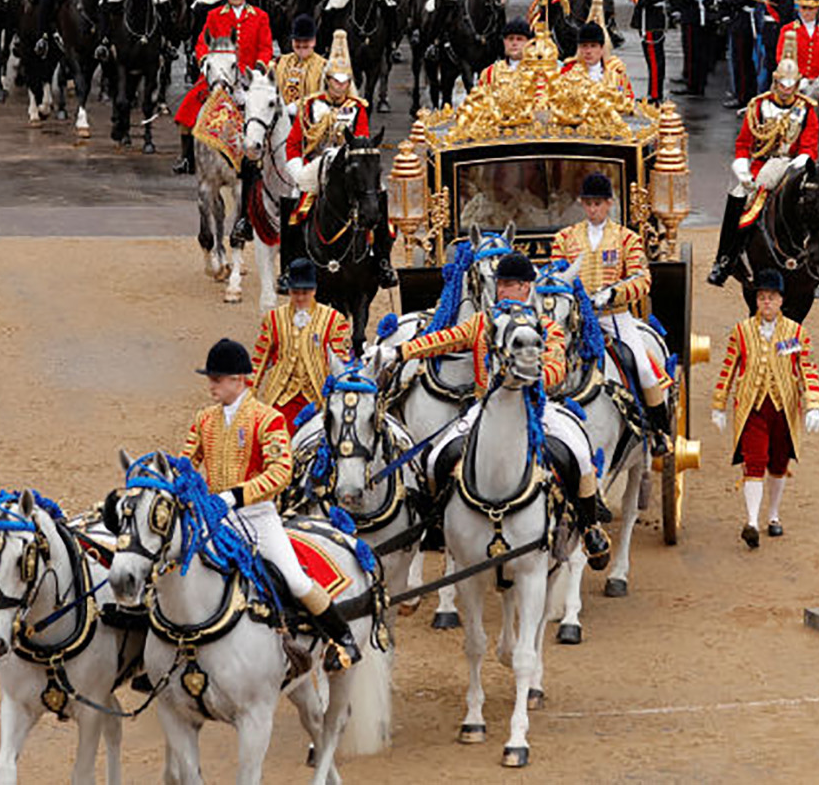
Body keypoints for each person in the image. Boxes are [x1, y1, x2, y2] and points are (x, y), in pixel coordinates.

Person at [375, 252, 613, 567]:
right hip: (485, 407)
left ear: (528, 287)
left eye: (511, 284)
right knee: (435, 460)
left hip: (536, 407)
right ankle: (436, 522)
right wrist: (399, 352)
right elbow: (443, 340)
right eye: (500, 283)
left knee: (581, 457)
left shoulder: (547, 327)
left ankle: (589, 527)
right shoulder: (482, 322)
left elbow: (557, 367)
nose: (503, 290)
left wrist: (533, 376)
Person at [183, 338, 362, 669]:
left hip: (256, 516)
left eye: (217, 379)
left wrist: (235, 495)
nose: (211, 385)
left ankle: (343, 638)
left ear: (239, 380)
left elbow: (281, 471)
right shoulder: (204, 419)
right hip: (214, 519)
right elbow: (186, 461)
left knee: (294, 579)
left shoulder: (268, 419)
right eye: (211, 378)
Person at [549, 172, 672, 440]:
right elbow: (556, 276)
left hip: (614, 317)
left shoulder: (627, 238)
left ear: (609, 204)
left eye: (598, 204)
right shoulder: (565, 238)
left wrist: (614, 293)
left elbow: (643, 279)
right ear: (582, 204)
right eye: (589, 204)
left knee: (643, 368)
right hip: (576, 318)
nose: (593, 209)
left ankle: (659, 431)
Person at [709, 269, 819, 549]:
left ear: (781, 300)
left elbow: (806, 368)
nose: (766, 303)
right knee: (755, 461)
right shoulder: (742, 330)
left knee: (778, 464)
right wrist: (719, 405)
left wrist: (813, 406)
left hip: (784, 408)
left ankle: (772, 515)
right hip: (752, 407)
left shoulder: (796, 332)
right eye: (762, 298)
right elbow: (728, 369)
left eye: (771, 297)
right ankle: (750, 521)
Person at [283, 31, 395, 289]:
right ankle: (290, 266)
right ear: (328, 80)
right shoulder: (310, 105)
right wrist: (297, 169)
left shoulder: (358, 107)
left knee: (379, 197)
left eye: (345, 82)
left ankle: (383, 261)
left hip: (350, 164)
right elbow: (293, 142)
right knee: (295, 203)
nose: (340, 87)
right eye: (335, 81)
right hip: (316, 164)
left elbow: (364, 140)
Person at [709, 35, 819, 285]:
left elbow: (810, 147)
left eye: (792, 83)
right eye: (783, 82)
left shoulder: (807, 109)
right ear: (775, 81)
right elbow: (743, 145)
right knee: (738, 196)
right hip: (759, 168)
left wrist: (793, 168)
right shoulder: (758, 107)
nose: (787, 88)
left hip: (793, 166)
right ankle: (725, 259)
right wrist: (744, 174)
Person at [172, 0, 275, 175]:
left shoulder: (260, 16)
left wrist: (259, 68)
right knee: (188, 109)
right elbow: (202, 43)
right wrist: (204, 62)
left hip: (248, 75)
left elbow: (265, 47)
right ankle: (187, 158)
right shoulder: (215, 15)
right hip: (219, 74)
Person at [249, 258, 353, 429]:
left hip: (318, 398)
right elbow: (258, 361)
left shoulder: (334, 320)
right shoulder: (274, 318)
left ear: (314, 291)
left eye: (306, 292)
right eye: (296, 292)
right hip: (280, 396)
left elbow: (342, 362)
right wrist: (249, 395)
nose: (300, 297)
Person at [561, 2, 633, 98]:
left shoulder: (616, 74)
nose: (588, 51)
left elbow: (628, 100)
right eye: (584, 46)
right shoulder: (567, 72)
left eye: (593, 46)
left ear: (602, 48)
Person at [628, 0, 670, 102]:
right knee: (653, 59)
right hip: (651, 20)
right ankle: (653, 92)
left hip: (652, 21)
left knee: (654, 60)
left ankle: (655, 94)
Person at [726, 0, 767, 105]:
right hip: (741, 19)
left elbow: (741, 0)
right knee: (741, 59)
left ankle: (743, 96)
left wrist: (725, 1)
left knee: (742, 61)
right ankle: (743, 92)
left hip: (744, 21)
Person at [478, 17, 532, 89]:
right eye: (510, 39)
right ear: (504, 42)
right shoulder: (490, 73)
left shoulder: (538, 73)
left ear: (529, 43)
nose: (514, 43)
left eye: (519, 39)